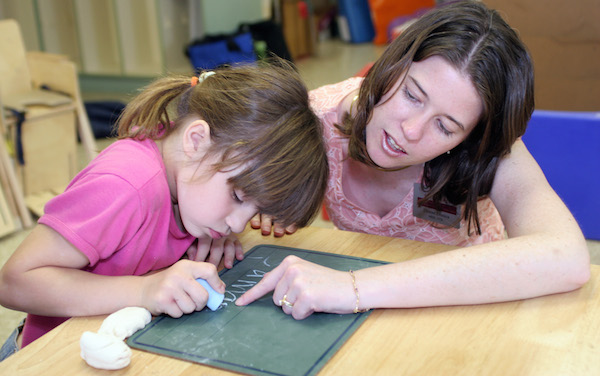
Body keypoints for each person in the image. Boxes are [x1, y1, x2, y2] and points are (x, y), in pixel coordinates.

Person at [239, 1, 590, 319]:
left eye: (445, 126)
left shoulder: (487, 149)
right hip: (379, 309)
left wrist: (355, 287)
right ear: (392, 63)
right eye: (411, 94)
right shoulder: (318, 120)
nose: (410, 130)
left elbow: (567, 258)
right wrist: (235, 213)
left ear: (471, 137)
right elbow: (213, 173)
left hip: (471, 304)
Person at [0, 59, 328, 357]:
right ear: (196, 140)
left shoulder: (189, 181)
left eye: (253, 211)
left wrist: (212, 231)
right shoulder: (125, 185)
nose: (239, 224)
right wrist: (144, 289)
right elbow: (14, 283)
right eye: (239, 198)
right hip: (50, 356)